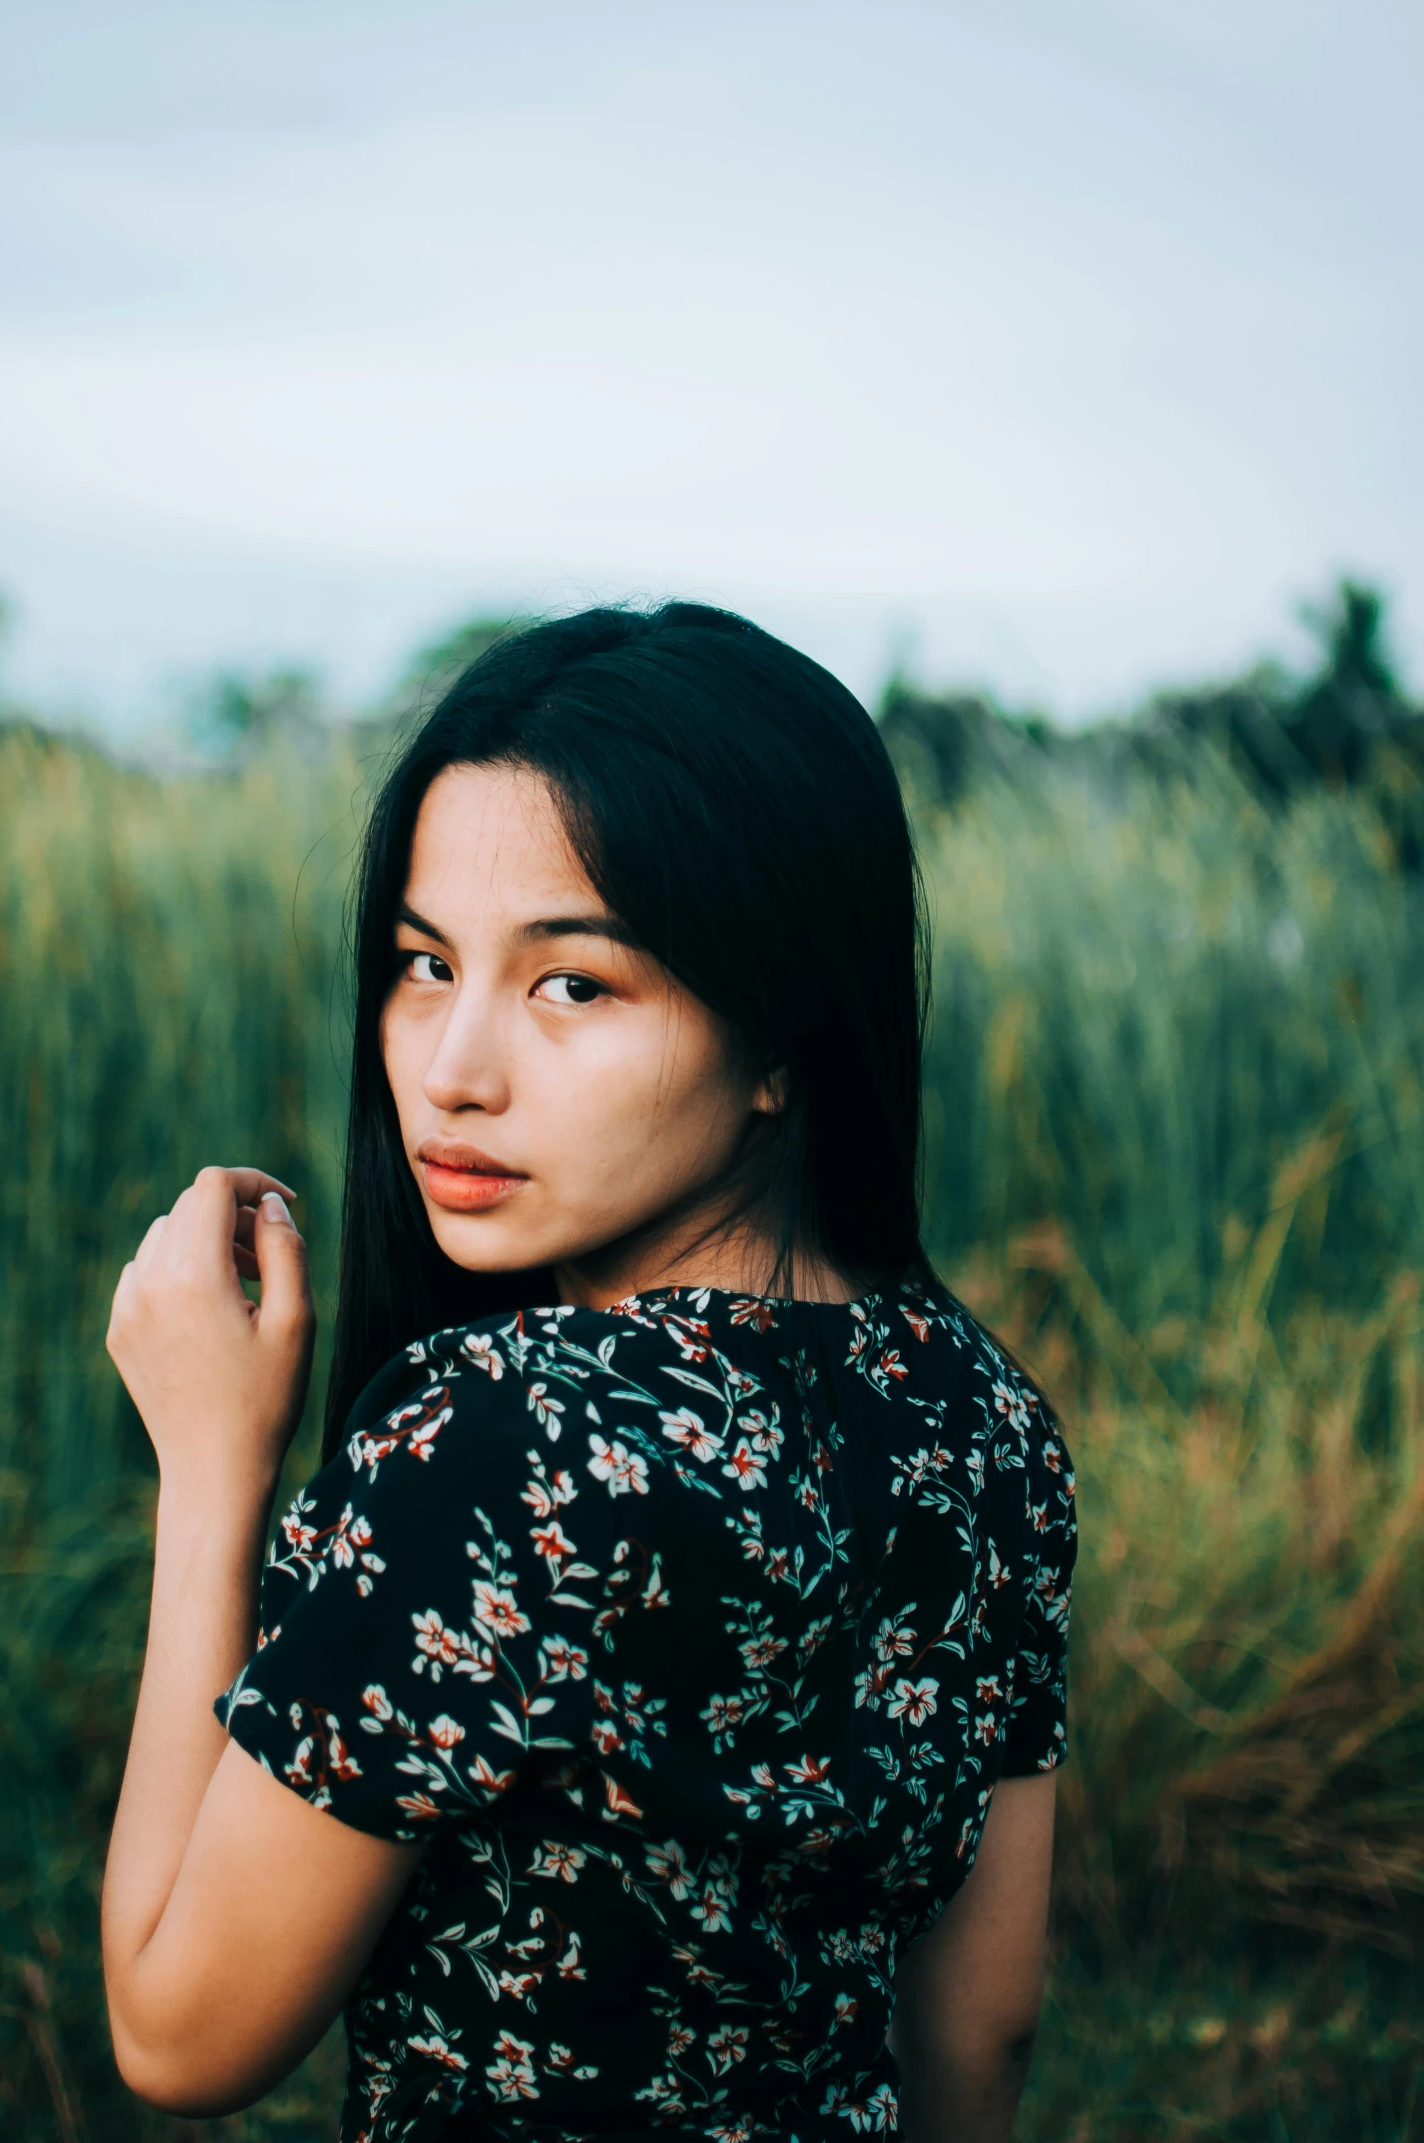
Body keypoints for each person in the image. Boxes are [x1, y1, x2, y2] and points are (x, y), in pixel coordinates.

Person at [100, 604, 1077, 2143]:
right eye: (423, 964)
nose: (450, 1069)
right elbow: (982, 2027)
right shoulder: (981, 1418)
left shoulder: (498, 1439)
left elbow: (177, 2034)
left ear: (780, 1035)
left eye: (574, 985)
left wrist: (215, 1470)